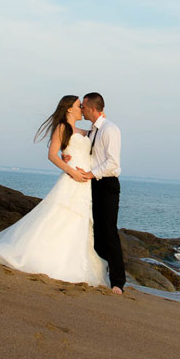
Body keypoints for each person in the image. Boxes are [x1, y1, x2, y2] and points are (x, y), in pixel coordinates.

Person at [0, 95, 109, 288]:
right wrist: (71, 171)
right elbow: (52, 154)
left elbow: (95, 137)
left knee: (78, 219)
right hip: (71, 178)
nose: (81, 108)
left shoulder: (84, 131)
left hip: (84, 183)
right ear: (68, 109)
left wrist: (101, 120)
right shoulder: (62, 128)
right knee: (58, 215)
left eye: (83, 106)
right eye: (78, 105)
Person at [77, 92, 125, 294]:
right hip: (95, 183)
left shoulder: (110, 129)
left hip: (107, 184)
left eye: (84, 107)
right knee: (96, 231)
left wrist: (90, 173)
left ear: (93, 109)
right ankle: (101, 273)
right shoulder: (93, 130)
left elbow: (113, 162)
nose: (82, 110)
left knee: (109, 231)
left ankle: (118, 282)